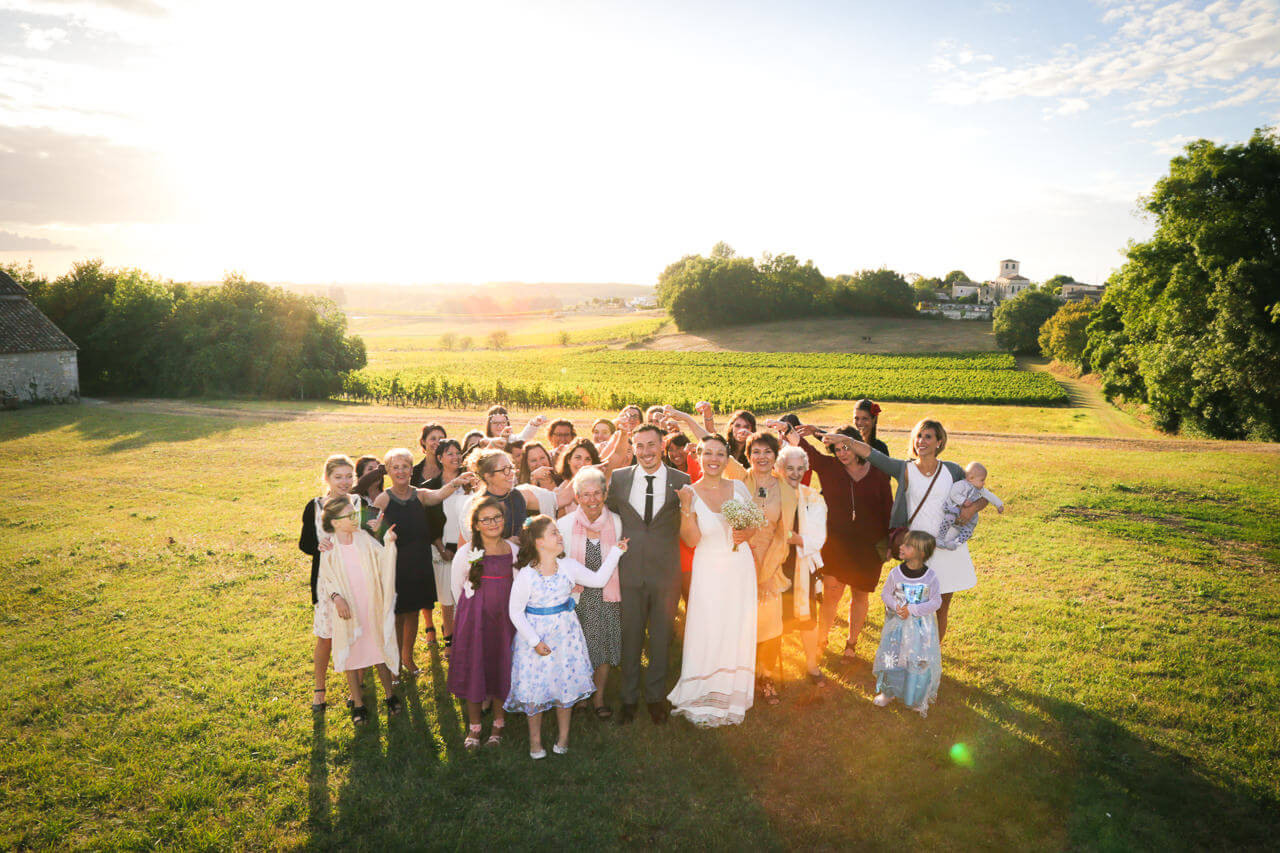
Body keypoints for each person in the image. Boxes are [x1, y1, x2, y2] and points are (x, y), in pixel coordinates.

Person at [842, 419, 983, 642]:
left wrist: (971, 509)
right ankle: (909, 650)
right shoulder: (904, 469)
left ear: (939, 441)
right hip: (917, 548)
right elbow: (873, 455)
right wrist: (846, 440)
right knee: (910, 603)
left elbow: (981, 494)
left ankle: (932, 656)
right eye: (918, 436)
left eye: (928, 436)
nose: (922, 441)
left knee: (941, 605)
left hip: (947, 547)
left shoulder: (952, 470)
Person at [506, 516, 628, 758]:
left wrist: (616, 552)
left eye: (559, 532)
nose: (560, 536)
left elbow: (598, 580)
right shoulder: (527, 575)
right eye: (554, 533)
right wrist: (534, 641)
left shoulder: (568, 566)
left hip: (565, 636)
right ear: (539, 542)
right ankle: (535, 741)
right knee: (535, 689)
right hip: (537, 638)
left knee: (565, 684)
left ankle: (563, 736)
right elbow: (515, 612)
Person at [782, 422, 892, 662]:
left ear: (857, 447)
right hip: (837, 544)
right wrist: (788, 429)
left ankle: (851, 643)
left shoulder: (878, 472)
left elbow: (888, 507)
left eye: (846, 447)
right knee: (831, 593)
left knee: (860, 595)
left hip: (869, 547)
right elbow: (807, 450)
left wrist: (890, 541)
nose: (842, 453)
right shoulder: (830, 468)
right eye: (837, 449)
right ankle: (822, 638)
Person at [604, 423, 691, 724]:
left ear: (663, 444)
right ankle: (628, 698)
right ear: (633, 448)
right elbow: (609, 517)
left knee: (661, 636)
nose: (645, 452)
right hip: (628, 572)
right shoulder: (620, 478)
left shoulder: (682, 480)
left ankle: (655, 697)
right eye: (639, 446)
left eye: (651, 445)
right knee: (630, 636)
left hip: (666, 574)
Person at [667, 435, 757, 727]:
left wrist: (747, 533)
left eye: (720, 453)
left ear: (728, 457)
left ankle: (732, 689)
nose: (714, 459)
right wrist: (685, 507)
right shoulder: (688, 492)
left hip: (739, 568)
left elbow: (753, 522)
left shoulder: (739, 487)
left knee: (735, 627)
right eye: (708, 453)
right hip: (708, 568)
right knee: (708, 626)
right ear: (698, 456)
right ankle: (703, 688)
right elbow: (692, 539)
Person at [370, 448, 478, 678]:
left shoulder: (419, 494)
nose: (401, 471)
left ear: (411, 469)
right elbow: (369, 525)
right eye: (395, 467)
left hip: (419, 562)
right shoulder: (384, 498)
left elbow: (439, 494)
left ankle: (407, 657)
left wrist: (457, 481)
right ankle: (395, 661)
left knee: (413, 613)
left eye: (405, 466)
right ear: (388, 471)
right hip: (397, 565)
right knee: (398, 614)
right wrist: (381, 535)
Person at [316, 497, 402, 726]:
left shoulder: (363, 539)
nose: (355, 518)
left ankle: (389, 695)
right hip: (348, 611)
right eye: (349, 516)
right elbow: (328, 577)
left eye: (355, 514)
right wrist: (337, 598)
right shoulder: (330, 548)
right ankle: (358, 703)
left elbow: (383, 559)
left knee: (378, 650)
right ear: (335, 522)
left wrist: (388, 540)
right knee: (353, 657)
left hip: (370, 604)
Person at [448, 496, 517, 749]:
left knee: (501, 666)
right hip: (474, 622)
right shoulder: (466, 553)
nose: (492, 523)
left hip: (504, 621)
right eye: (485, 519)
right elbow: (457, 589)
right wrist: (471, 613)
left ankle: (499, 723)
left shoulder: (512, 549)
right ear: (475, 525)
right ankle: (475, 726)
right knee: (474, 667)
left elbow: (518, 583)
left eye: (497, 517)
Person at [556, 468, 624, 720]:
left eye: (597, 493)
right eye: (585, 494)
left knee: (603, 646)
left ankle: (598, 697)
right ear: (576, 496)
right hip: (576, 599)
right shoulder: (563, 525)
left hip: (607, 596)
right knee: (577, 648)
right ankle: (580, 695)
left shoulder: (616, 522)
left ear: (605, 494)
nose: (592, 500)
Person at [298, 454, 362, 711]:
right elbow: (304, 543)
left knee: (356, 635)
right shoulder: (314, 506)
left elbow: (373, 534)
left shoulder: (359, 502)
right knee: (326, 636)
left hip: (356, 577)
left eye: (349, 476)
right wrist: (318, 545)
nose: (344, 482)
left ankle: (356, 689)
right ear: (326, 478)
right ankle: (319, 690)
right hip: (326, 581)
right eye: (338, 477)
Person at [741, 432, 790, 705]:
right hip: (737, 563)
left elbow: (783, 536)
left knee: (770, 627)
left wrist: (764, 575)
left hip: (769, 566)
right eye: (756, 452)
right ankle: (741, 675)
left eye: (767, 451)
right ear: (748, 456)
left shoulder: (784, 488)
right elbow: (711, 446)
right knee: (741, 624)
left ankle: (766, 677)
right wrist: (689, 418)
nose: (761, 457)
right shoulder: (739, 480)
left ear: (775, 455)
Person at [872, 531, 942, 716]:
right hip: (897, 628)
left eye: (907, 545)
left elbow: (936, 602)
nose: (901, 547)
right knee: (892, 656)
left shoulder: (930, 577)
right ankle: (888, 691)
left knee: (916, 659)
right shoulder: (895, 573)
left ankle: (915, 695)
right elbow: (885, 594)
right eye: (903, 544)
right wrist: (896, 606)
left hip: (920, 630)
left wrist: (912, 610)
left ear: (921, 553)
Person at [774, 445, 828, 685]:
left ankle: (811, 666)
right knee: (773, 618)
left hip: (801, 566)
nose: (794, 473)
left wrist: (790, 537)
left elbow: (818, 539)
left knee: (807, 620)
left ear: (806, 469)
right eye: (789, 468)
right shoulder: (770, 492)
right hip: (773, 566)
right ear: (779, 468)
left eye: (799, 468)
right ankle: (768, 669)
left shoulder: (813, 497)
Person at [937, 462, 1005, 549]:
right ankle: (940, 537)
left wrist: (999, 505)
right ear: (971, 478)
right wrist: (963, 501)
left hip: (968, 516)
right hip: (954, 509)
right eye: (982, 480)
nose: (984, 483)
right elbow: (953, 494)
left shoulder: (980, 489)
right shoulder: (961, 484)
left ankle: (955, 543)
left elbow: (990, 495)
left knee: (968, 531)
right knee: (949, 518)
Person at [469, 449, 528, 539]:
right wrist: (507, 544)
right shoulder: (479, 504)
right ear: (488, 476)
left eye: (511, 468)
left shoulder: (516, 496)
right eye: (505, 470)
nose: (512, 473)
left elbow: (521, 532)